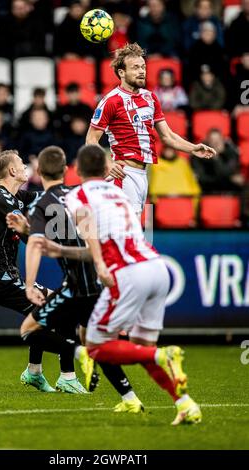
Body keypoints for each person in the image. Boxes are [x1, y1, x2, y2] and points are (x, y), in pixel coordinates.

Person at [64, 144, 202, 425]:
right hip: (157, 268)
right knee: (139, 346)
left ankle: (161, 354)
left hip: (127, 274)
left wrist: (100, 264)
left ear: (77, 170)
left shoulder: (77, 194)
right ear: (107, 169)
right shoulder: (118, 192)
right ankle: (184, 403)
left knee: (94, 346)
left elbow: (86, 221)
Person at [18, 146, 144, 408]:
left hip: (76, 286)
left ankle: (78, 355)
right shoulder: (79, 195)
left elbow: (36, 245)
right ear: (66, 171)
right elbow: (91, 227)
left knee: (29, 330)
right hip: (102, 282)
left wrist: (30, 284)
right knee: (97, 342)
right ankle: (130, 397)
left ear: (38, 171)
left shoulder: (43, 204)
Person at [0, 149, 72, 393]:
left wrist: (93, 188)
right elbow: (30, 235)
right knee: (52, 307)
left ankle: (35, 372)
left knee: (48, 308)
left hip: (5, 277)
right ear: (12, 171)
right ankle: (71, 364)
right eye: (21, 163)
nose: (25, 167)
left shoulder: (15, 197)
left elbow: (49, 196)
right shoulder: (0, 200)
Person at [86, 43, 215, 215]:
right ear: (121, 73)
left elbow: (167, 136)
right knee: (125, 232)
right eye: (135, 68)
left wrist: (193, 148)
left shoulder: (150, 97)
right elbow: (91, 140)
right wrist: (106, 163)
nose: (141, 71)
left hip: (142, 175)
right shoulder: (111, 101)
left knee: (132, 231)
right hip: (123, 175)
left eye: (143, 67)